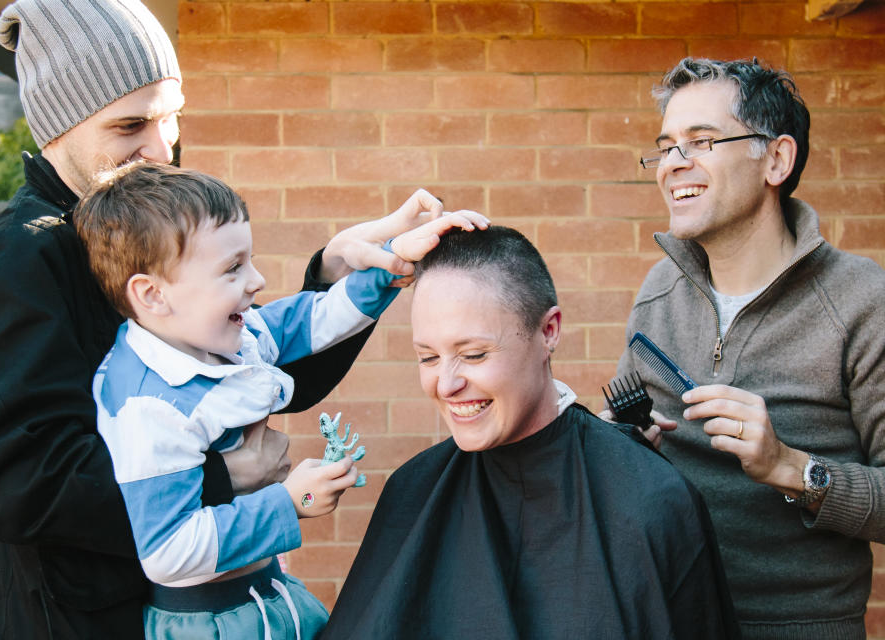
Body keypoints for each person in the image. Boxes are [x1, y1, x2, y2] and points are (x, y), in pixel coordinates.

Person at [0, 0, 447, 637]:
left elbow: (247, 366)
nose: (161, 148)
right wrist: (222, 476)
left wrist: (340, 275)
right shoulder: (21, 260)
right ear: (55, 129)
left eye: (170, 117)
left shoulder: (145, 220)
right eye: (130, 126)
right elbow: (12, 484)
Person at [74, 162, 487, 638]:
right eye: (232, 269)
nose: (257, 281)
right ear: (152, 295)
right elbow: (169, 552)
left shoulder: (217, 336)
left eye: (248, 260)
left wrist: (394, 261)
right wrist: (289, 502)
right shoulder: (151, 408)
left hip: (266, 595)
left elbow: (314, 320)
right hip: (213, 623)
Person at [322, 226, 739, 640]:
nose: (445, 385)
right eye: (427, 357)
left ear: (549, 332)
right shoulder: (411, 492)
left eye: (473, 354)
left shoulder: (652, 499)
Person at [612, 57, 885, 639]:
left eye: (702, 141)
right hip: (666, 617)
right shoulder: (658, 292)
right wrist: (624, 443)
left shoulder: (864, 301)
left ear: (776, 160)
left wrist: (788, 466)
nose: (672, 165)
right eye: (665, 147)